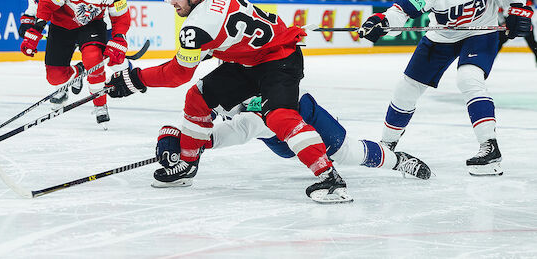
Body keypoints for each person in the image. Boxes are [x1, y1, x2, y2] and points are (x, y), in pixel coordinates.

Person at [106, 0, 351, 203]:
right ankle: (187, 165)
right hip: (251, 59)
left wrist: (133, 79)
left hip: (280, 58)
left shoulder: (196, 27)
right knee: (198, 98)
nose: (172, 1)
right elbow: (221, 39)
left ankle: (329, 178)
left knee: (279, 116)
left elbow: (177, 74)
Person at [357, 0, 533, 176]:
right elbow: (403, 9)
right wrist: (382, 21)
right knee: (406, 88)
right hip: (441, 37)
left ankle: (489, 147)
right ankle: (387, 146)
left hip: (480, 32)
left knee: (469, 78)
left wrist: (519, 8)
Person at [155, 92, 432, 180]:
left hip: (302, 113)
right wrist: (172, 138)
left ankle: (398, 161)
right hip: (275, 136)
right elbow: (203, 127)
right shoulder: (228, 94)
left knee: (346, 153)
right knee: (253, 125)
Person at [20, 0, 131, 128]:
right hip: (61, 27)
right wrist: (35, 32)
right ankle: (79, 72)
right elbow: (46, 5)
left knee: (93, 59)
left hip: (91, 26)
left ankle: (100, 105)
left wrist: (119, 39)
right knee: (55, 78)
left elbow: (121, 18)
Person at [18, 0, 86, 105]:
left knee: (91, 54)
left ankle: (77, 80)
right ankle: (72, 78)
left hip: (81, 26)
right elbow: (32, 10)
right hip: (60, 29)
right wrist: (27, 24)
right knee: (56, 65)